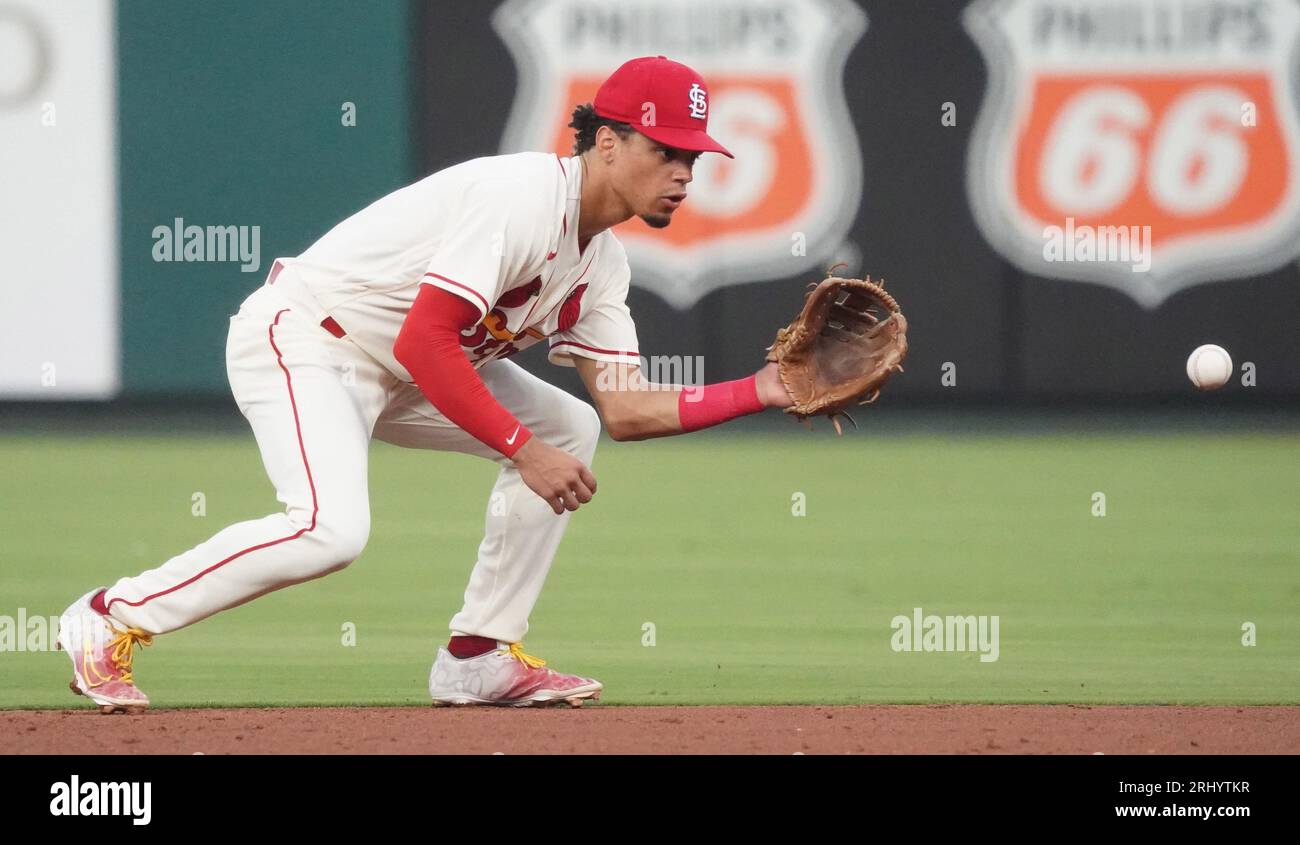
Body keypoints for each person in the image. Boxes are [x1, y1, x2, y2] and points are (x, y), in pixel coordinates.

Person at [56, 55, 793, 712]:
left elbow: (628, 409)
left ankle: (478, 656)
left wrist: (762, 390)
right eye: (667, 151)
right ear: (608, 141)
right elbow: (425, 337)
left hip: (404, 369)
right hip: (309, 337)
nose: (685, 175)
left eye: (693, 159)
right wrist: (520, 448)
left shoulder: (602, 266)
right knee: (330, 529)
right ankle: (111, 614)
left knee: (575, 426)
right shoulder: (524, 197)